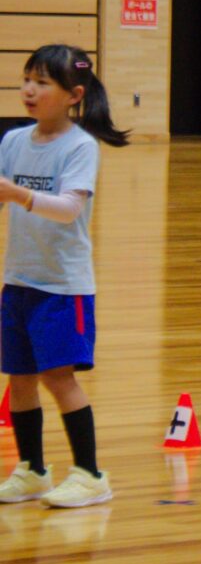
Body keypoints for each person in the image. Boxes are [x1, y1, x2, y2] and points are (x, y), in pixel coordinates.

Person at [0, 44, 131, 509]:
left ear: (73, 95)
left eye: (42, 83)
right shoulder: (13, 141)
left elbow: (69, 208)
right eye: (26, 80)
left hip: (63, 286)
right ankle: (32, 470)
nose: (29, 91)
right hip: (19, 280)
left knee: (58, 378)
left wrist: (15, 193)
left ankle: (90, 475)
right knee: (18, 378)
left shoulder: (80, 147)